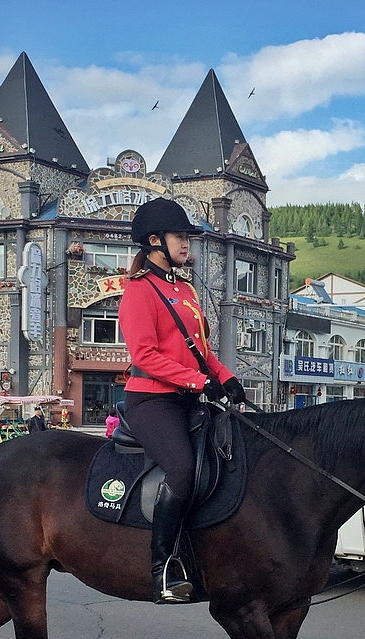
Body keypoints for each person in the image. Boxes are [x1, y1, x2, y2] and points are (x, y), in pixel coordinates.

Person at [119, 196, 246, 604]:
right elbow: (145, 356)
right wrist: (198, 383)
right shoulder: (139, 292)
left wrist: (227, 379)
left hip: (190, 396)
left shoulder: (185, 289)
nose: (186, 243)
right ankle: (163, 568)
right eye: (180, 236)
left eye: (187, 237)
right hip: (152, 401)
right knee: (183, 470)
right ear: (155, 241)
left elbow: (201, 350)